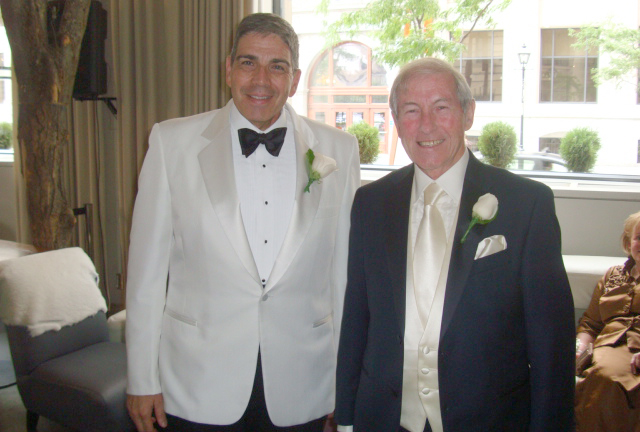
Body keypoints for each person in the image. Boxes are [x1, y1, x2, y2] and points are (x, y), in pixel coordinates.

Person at [125, 13, 360, 432]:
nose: (261, 80)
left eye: (277, 67)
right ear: (228, 69)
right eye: (249, 62)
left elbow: (343, 277)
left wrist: (344, 384)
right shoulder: (170, 143)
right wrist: (142, 378)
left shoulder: (339, 149)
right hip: (196, 383)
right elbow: (146, 275)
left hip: (304, 383)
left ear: (295, 79)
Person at [334, 57, 575, 432]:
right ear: (395, 121)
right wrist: (346, 418)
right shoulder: (371, 203)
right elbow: (356, 318)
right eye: (411, 110)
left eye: (441, 107)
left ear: (468, 114)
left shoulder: (527, 204)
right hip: (383, 418)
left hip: (489, 420)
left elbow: (551, 344)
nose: (426, 124)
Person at [575, 211, 640, 432]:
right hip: (606, 345)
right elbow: (591, 323)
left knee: (606, 377)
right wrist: (580, 348)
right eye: (639, 238)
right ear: (629, 242)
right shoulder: (612, 275)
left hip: (634, 350)